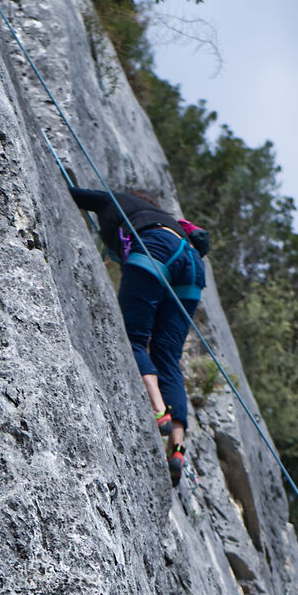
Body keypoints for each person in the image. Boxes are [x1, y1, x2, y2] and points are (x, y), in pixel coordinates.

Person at [69, 181, 209, 489]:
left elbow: (72, 193)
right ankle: (177, 447)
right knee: (168, 357)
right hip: (192, 265)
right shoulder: (174, 222)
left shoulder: (116, 200)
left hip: (154, 249)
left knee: (133, 338)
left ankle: (159, 411)